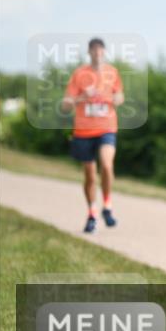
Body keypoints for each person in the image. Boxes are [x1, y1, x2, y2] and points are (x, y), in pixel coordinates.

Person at [61, 37, 124, 233]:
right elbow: (65, 105)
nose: (97, 54)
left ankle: (107, 205)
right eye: (93, 50)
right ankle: (92, 213)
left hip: (107, 128)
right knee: (89, 175)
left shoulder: (112, 73)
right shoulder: (79, 74)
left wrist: (113, 98)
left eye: (100, 50)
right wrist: (81, 98)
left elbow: (120, 96)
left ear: (104, 52)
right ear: (89, 52)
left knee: (106, 164)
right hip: (84, 130)